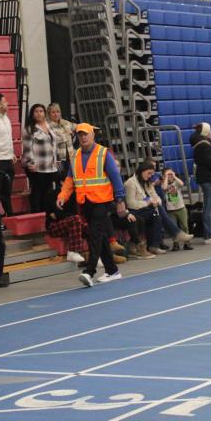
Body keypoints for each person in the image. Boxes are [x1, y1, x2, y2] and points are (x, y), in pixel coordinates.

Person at [56, 123, 127, 287]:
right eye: (80, 135)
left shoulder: (103, 153)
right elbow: (70, 179)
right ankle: (112, 270)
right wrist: (62, 196)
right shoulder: (75, 155)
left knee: (95, 235)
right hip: (85, 202)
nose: (83, 137)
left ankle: (90, 271)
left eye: (86, 134)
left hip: (102, 201)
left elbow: (115, 177)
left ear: (93, 135)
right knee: (100, 236)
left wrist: (120, 200)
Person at [21, 103, 60, 214]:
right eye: (36, 111)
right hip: (36, 166)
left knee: (47, 192)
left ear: (44, 113)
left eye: (41, 111)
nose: (39, 113)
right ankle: (37, 215)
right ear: (32, 114)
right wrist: (30, 163)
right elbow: (27, 148)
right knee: (37, 192)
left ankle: (46, 215)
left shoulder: (50, 126)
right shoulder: (29, 129)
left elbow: (54, 145)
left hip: (50, 167)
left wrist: (56, 160)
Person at [124, 162, 167, 257]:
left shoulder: (148, 182)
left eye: (152, 174)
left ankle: (153, 245)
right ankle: (153, 245)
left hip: (147, 209)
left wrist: (157, 201)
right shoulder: (130, 183)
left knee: (156, 212)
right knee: (155, 214)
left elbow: (155, 195)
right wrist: (148, 202)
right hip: (134, 211)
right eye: (149, 173)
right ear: (142, 171)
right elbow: (130, 203)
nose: (150, 176)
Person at [159, 168, 192, 250]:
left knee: (184, 226)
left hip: (181, 208)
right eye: (167, 175)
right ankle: (175, 243)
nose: (170, 176)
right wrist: (166, 178)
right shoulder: (163, 183)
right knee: (173, 227)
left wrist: (174, 176)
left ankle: (187, 243)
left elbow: (182, 183)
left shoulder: (176, 182)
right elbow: (164, 188)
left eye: (171, 174)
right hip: (170, 210)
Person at [47, 103, 75, 169]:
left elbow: (77, 127)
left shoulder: (66, 122)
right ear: (49, 114)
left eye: (58, 112)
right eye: (53, 112)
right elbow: (53, 141)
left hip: (71, 156)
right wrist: (67, 135)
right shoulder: (47, 126)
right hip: (58, 159)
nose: (56, 114)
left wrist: (92, 128)